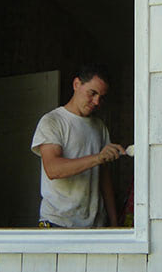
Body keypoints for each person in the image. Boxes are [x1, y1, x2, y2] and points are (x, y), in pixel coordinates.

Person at [31, 64, 125, 228]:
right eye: (92, 93)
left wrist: (114, 223)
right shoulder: (53, 121)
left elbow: (104, 178)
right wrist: (98, 157)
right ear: (76, 84)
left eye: (101, 97)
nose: (96, 102)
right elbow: (53, 169)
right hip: (57, 222)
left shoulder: (99, 126)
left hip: (95, 226)